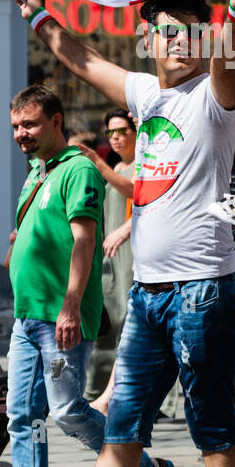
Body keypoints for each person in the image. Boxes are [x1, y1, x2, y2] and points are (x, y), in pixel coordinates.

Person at [13, 0, 235, 467]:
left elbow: (230, 64)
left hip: (203, 290)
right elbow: (83, 59)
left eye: (187, 32)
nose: (174, 41)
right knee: (121, 428)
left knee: (214, 431)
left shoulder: (214, 99)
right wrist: (38, 16)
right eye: (163, 31)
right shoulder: (148, 94)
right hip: (149, 295)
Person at [5, 85, 168, 467]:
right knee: (22, 415)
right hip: (26, 315)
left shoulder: (78, 169)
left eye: (29, 124)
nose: (20, 133)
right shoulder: (37, 172)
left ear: (55, 121)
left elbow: (85, 239)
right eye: (15, 126)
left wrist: (71, 305)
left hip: (59, 317)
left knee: (65, 410)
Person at [76, 108, 138, 405]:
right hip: (109, 255)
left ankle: (120, 394)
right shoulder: (117, 168)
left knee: (126, 324)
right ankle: (99, 391)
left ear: (136, 132)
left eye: (122, 131)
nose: (115, 138)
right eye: (110, 133)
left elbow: (138, 196)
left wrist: (98, 163)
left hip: (131, 255)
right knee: (108, 325)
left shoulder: (141, 168)